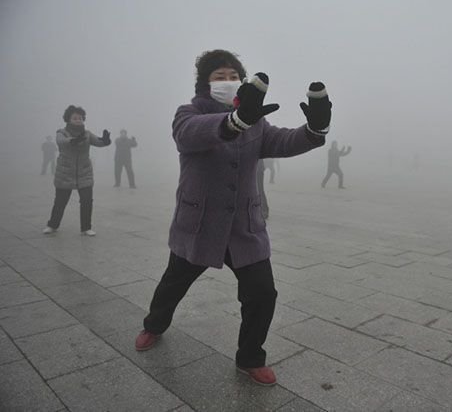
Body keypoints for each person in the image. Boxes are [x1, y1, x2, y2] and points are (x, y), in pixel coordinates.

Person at [134, 49, 332, 387]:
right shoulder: (190, 112)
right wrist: (233, 121)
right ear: (205, 82)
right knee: (173, 284)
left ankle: (250, 357)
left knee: (262, 293)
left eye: (232, 75)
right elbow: (188, 134)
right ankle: (154, 325)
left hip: (243, 227)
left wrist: (314, 129)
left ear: (242, 82)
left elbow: (283, 140)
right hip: (199, 225)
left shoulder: (256, 121)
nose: (227, 81)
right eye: (219, 76)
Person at [42, 105, 111, 236]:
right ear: (68, 119)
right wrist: (73, 140)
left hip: (84, 173)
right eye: (75, 118)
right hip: (65, 173)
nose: (78, 120)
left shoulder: (87, 134)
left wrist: (105, 140)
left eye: (80, 118)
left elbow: (98, 142)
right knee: (60, 202)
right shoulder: (61, 133)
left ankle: (86, 228)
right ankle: (52, 225)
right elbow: (62, 142)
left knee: (87, 201)